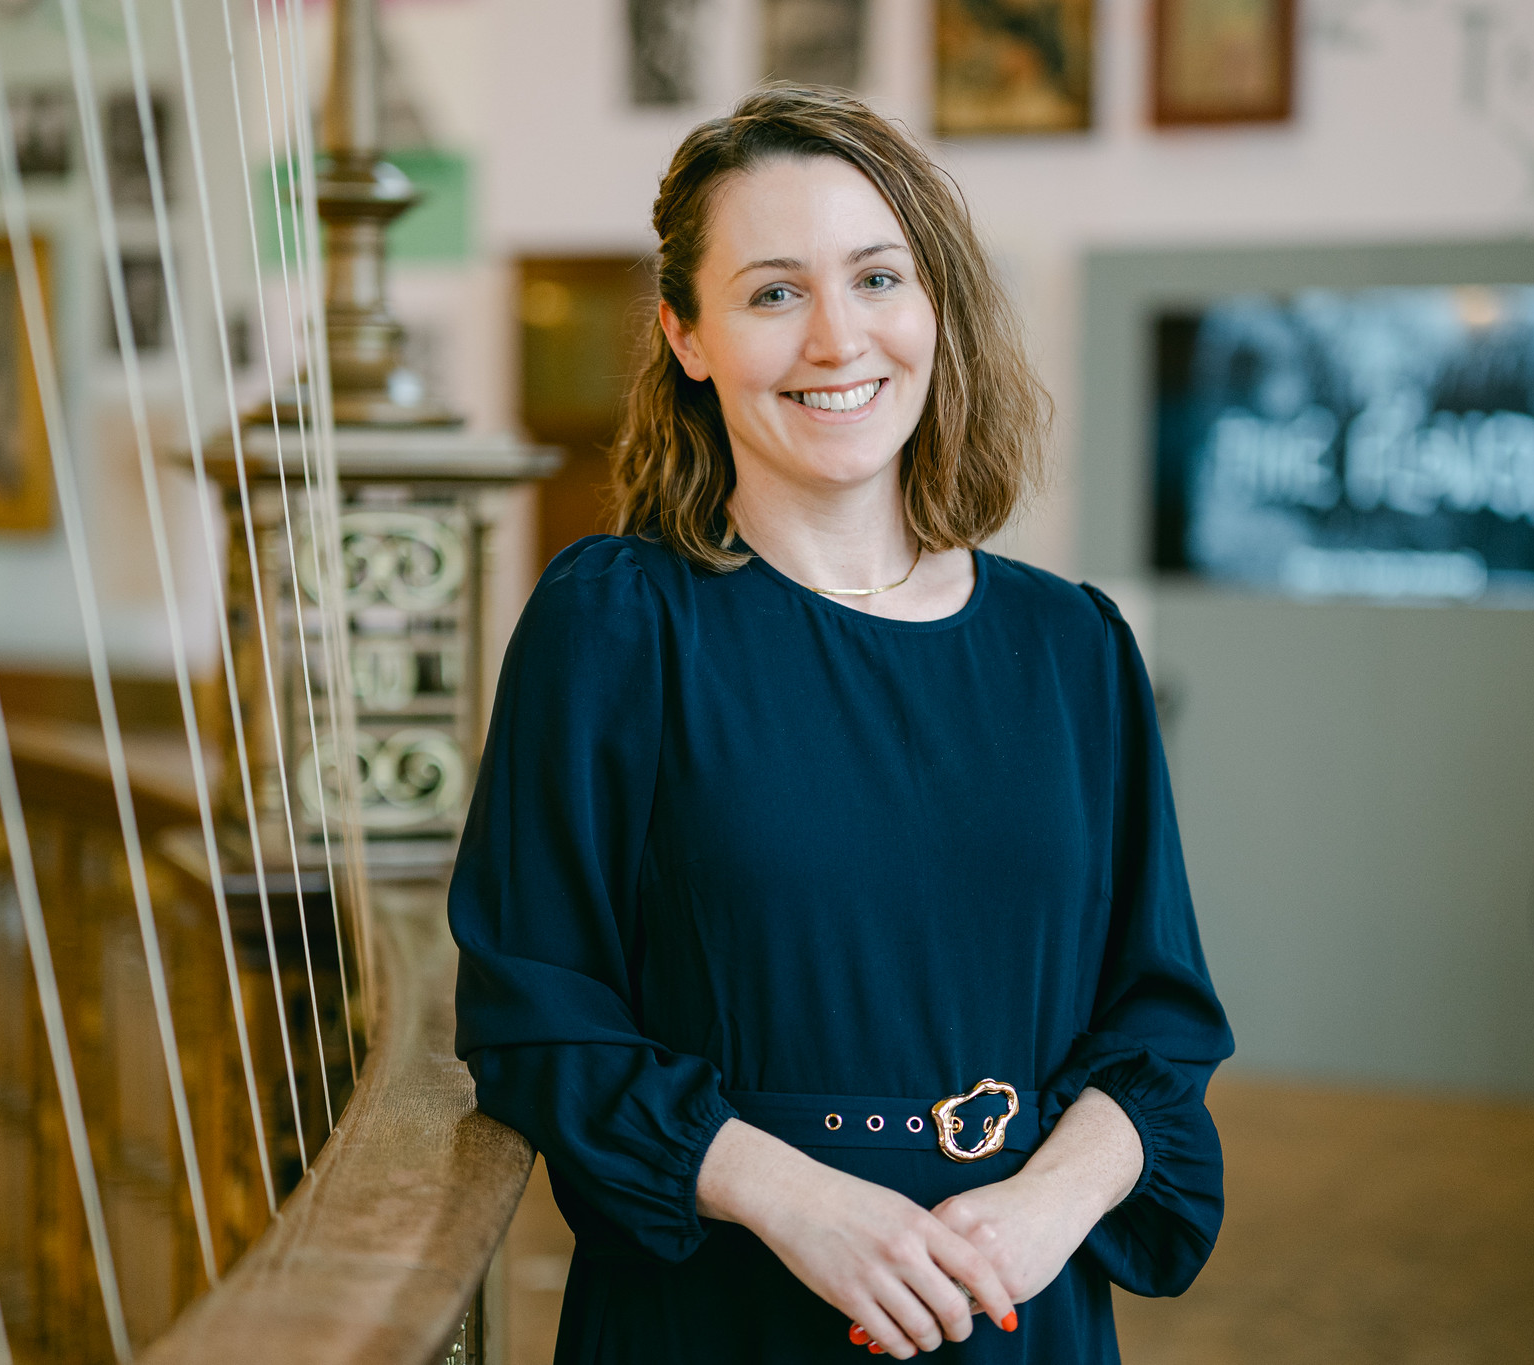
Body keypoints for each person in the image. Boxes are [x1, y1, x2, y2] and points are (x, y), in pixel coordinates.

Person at [449, 85, 1233, 1363]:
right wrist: (802, 1205)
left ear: (934, 310)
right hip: (723, 1312)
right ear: (686, 337)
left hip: (1014, 1310)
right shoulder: (617, 626)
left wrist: (1041, 1213)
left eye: (877, 278)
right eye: (772, 293)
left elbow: (1155, 1027)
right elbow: (538, 1020)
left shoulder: (1071, 647)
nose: (836, 338)